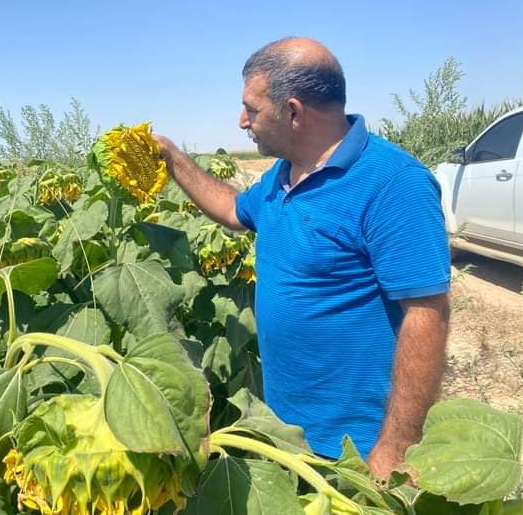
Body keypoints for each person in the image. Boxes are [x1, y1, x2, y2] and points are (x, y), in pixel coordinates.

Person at [153, 37, 450, 480]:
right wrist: (172, 157)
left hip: (355, 449)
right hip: (286, 430)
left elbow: (427, 315)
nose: (241, 122)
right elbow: (235, 210)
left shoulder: (394, 184)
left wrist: (396, 446)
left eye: (251, 110)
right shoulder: (285, 174)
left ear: (292, 112)